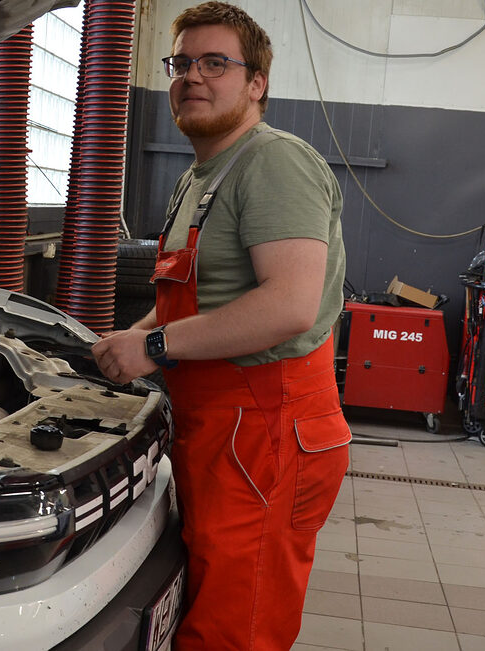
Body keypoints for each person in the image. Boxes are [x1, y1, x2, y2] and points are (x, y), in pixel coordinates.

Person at [90, 3, 350, 649]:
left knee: (237, 627)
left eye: (215, 63)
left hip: (266, 428)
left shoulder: (274, 162)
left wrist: (153, 346)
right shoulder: (202, 174)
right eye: (181, 63)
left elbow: (288, 305)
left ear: (256, 82)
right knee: (208, 600)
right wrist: (129, 339)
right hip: (218, 426)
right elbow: (194, 299)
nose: (192, 77)